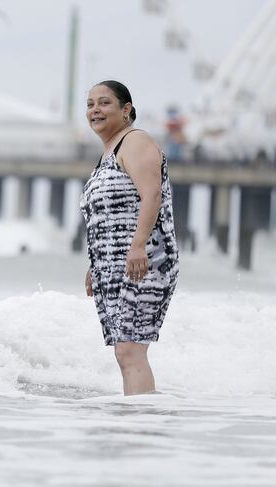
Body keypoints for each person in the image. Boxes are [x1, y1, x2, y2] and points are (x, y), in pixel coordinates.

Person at [79, 80, 179, 395]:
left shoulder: (135, 142)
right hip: (114, 265)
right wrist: (95, 265)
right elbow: (105, 218)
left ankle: (140, 428)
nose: (95, 109)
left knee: (130, 351)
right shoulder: (108, 152)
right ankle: (133, 425)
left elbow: (151, 196)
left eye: (104, 103)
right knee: (123, 352)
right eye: (90, 103)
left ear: (126, 110)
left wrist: (137, 247)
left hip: (146, 259)